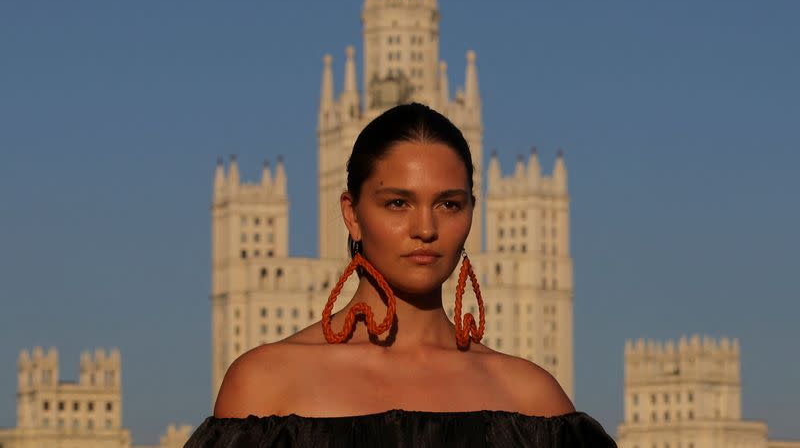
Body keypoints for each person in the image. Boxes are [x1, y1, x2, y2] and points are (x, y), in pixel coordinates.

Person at [186, 103, 617, 447]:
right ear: (352, 215)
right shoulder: (265, 387)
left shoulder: (533, 403)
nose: (425, 228)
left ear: (471, 214)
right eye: (398, 203)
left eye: (449, 204)